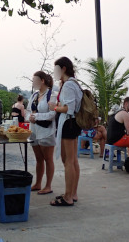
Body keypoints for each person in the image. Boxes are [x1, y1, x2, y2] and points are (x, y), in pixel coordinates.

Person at [48, 56, 82, 206]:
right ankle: (72, 193)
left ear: (63, 69)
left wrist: (54, 107)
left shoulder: (68, 85)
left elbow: (69, 108)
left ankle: (68, 196)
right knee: (73, 160)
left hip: (68, 123)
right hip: (73, 123)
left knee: (68, 160)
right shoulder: (75, 84)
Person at [27, 71, 56, 195]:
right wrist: (30, 117)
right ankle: (38, 183)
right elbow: (28, 111)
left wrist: (37, 116)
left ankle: (48, 185)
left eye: (35, 80)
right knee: (39, 159)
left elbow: (52, 114)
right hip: (34, 131)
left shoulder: (52, 95)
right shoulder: (34, 95)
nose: (33, 83)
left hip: (46, 131)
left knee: (48, 159)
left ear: (42, 81)